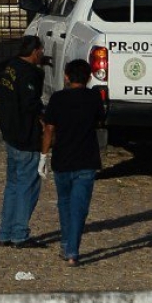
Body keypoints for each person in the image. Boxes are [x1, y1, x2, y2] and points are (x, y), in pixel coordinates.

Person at [41, 59, 105, 266]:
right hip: (86, 159)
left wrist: (43, 155)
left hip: (63, 158)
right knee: (79, 207)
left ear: (67, 77)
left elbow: (49, 128)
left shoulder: (58, 98)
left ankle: (67, 243)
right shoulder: (93, 97)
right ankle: (72, 250)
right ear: (88, 77)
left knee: (65, 204)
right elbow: (100, 120)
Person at [0, 35, 46, 249]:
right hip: (26, 137)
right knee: (28, 185)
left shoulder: (11, 68)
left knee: (13, 185)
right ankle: (19, 233)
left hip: (11, 134)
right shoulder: (28, 74)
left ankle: (5, 231)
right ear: (35, 51)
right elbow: (30, 104)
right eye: (41, 50)